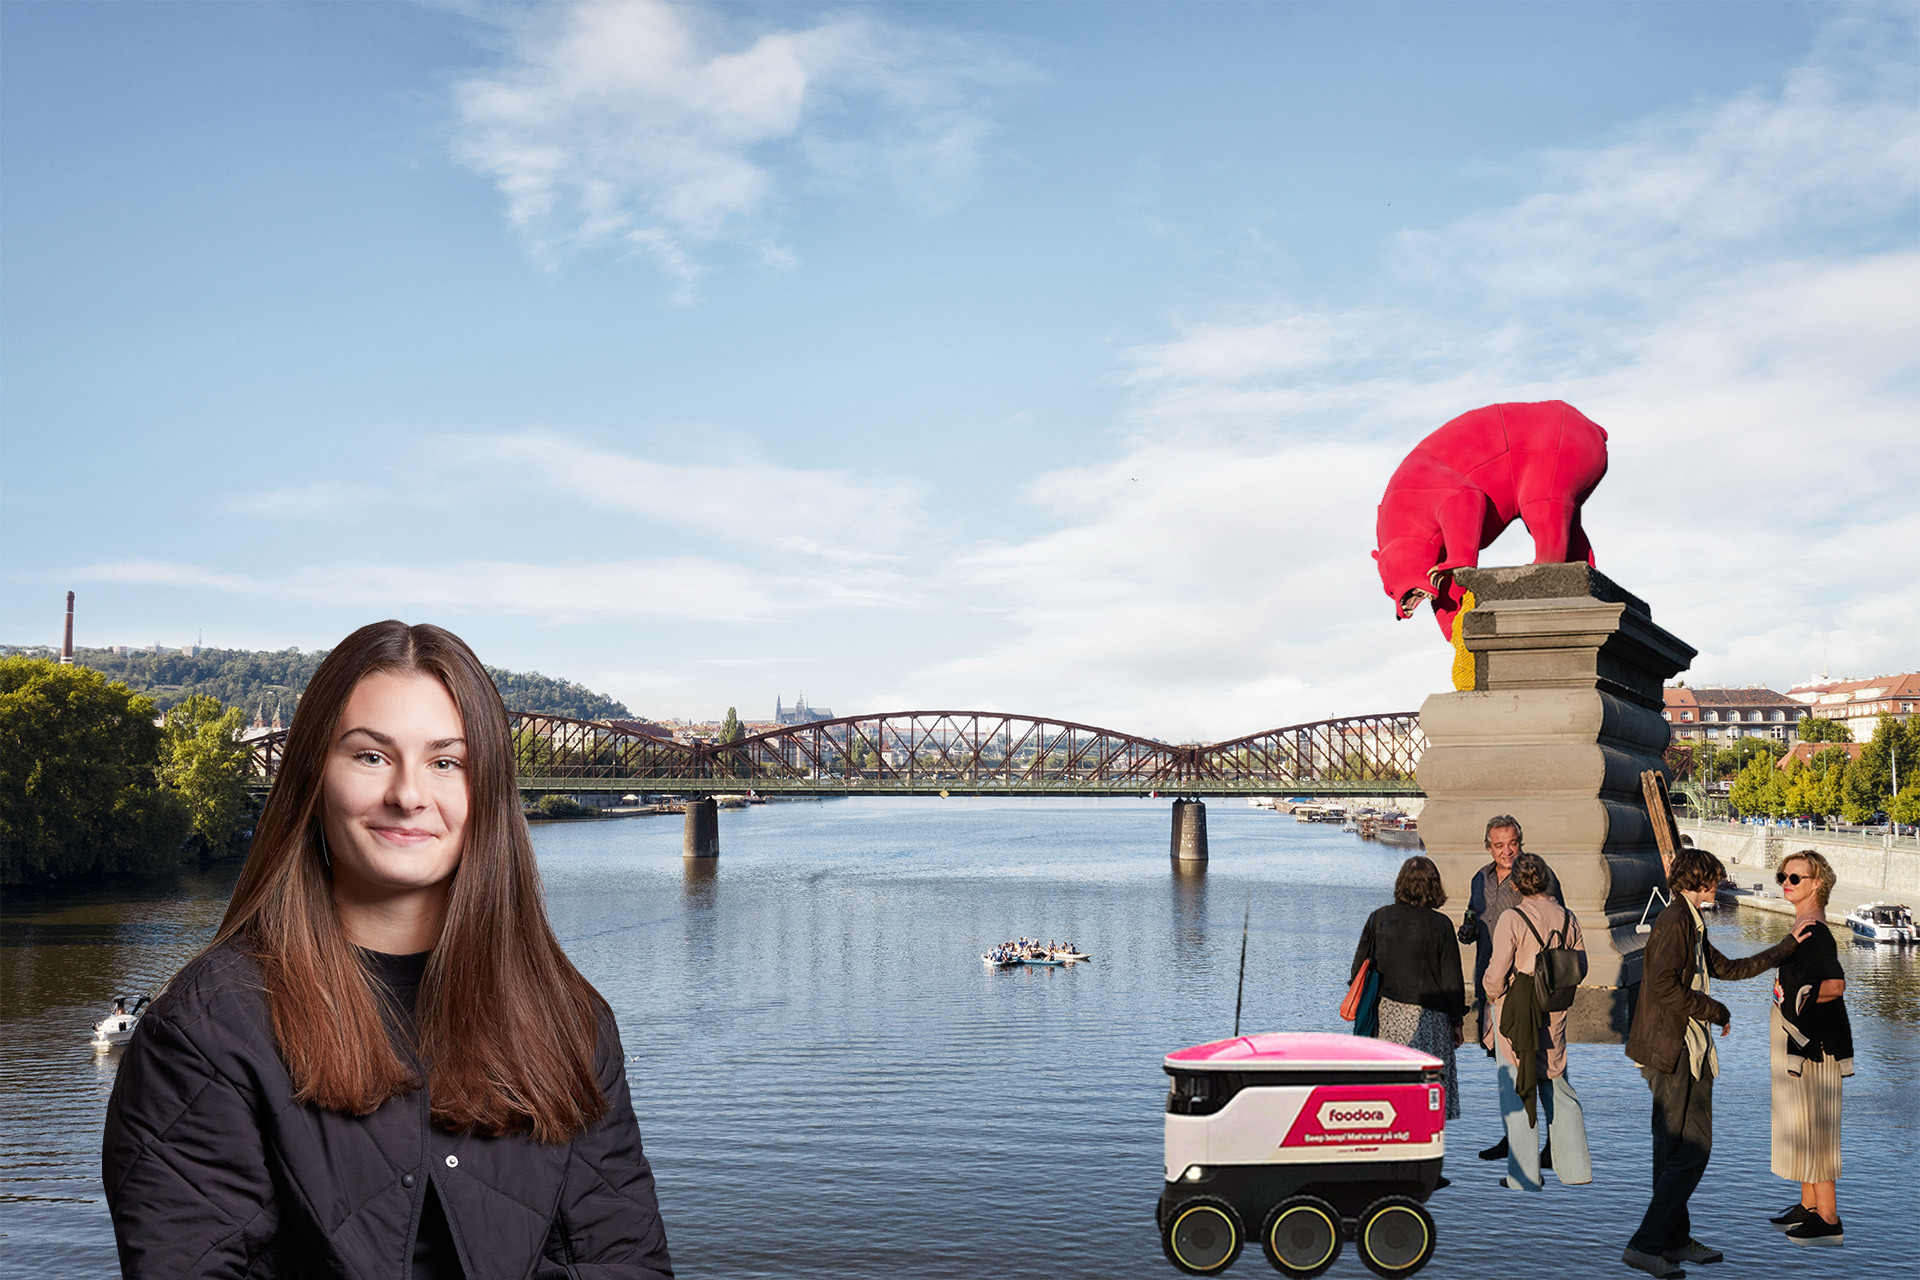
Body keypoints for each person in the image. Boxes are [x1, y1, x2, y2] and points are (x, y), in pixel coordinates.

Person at [102, 621, 674, 1279]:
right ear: (315, 778)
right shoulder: (206, 1033)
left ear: (485, 792)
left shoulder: (571, 1023)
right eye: (371, 756)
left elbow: (624, 1264)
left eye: (446, 762)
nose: (407, 795)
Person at [1621, 847, 1808, 1278]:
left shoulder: (1689, 919)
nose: (1719, 886)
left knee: (1674, 1151)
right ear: (1699, 880)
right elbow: (1663, 985)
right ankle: (1645, 1245)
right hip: (1673, 1049)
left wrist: (1784, 949)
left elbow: (1724, 967)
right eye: (1716, 880)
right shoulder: (1674, 923)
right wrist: (1714, 1010)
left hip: (1684, 1047)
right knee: (1694, 1148)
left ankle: (1672, 1240)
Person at [1482, 852, 1591, 1193]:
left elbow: (1497, 973)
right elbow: (1581, 966)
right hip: (1554, 1004)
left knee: (1518, 1088)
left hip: (1516, 1008)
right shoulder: (1567, 916)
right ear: (1547, 881)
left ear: (1515, 885)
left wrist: (1491, 994)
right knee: (1556, 1082)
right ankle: (1574, 1168)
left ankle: (1524, 1176)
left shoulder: (1511, 919)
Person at [1459, 814, 1561, 1161]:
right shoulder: (1480, 878)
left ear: (1521, 840)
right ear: (1488, 847)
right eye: (1499, 845)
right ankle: (1514, 1137)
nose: (1507, 852)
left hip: (1531, 988)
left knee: (1542, 1065)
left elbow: (1557, 922)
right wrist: (1468, 927)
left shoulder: (1538, 876)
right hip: (1492, 983)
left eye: (1512, 843)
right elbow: (1473, 912)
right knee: (1504, 1067)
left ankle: (1551, 1143)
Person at [1769, 850, 1852, 1247]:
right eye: (1782, 875)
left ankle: (1829, 1216)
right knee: (1800, 1125)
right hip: (1798, 1042)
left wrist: (1794, 999)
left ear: (1817, 883)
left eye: (1795, 877)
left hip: (1817, 1045)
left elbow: (1836, 986)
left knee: (1816, 1128)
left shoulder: (1816, 930)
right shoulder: (1801, 924)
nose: (1786, 882)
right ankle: (1808, 1205)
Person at [1351, 856, 1465, 1124]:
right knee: (1427, 1098)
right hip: (1432, 1019)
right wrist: (1457, 1022)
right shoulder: (1441, 925)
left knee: (1392, 1094)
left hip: (1388, 1014)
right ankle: (1424, 1154)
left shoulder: (1379, 917)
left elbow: (1358, 970)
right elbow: (1452, 981)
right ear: (1435, 886)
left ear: (1400, 883)